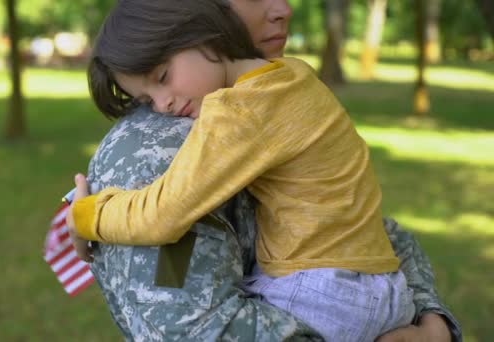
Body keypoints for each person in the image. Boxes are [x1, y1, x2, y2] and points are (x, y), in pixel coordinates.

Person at [66, 0, 462, 340]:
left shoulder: (236, 112)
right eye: (147, 98)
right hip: (384, 289)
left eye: (163, 79)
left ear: (200, 29)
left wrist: (85, 215)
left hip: (326, 293)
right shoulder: (296, 76)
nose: (163, 104)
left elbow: (163, 215)